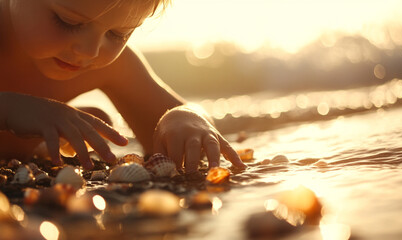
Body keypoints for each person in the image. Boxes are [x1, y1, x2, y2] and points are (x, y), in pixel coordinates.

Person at [0, 0, 246, 172]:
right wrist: (10, 109)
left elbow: (178, 128)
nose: (90, 51)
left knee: (95, 122)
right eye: (68, 21)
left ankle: (51, 137)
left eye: (118, 34)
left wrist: (183, 117)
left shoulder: (108, 64)